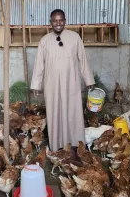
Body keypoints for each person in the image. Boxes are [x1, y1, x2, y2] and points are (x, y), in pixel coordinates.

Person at [30, 9, 95, 151]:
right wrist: (36, 84)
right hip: (51, 83)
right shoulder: (44, 41)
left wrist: (89, 80)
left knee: (73, 111)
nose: (58, 23)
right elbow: (39, 64)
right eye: (55, 21)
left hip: (71, 82)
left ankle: (76, 143)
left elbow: (83, 60)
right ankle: (57, 144)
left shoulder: (75, 37)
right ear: (50, 23)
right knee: (54, 112)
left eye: (61, 20)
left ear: (65, 21)